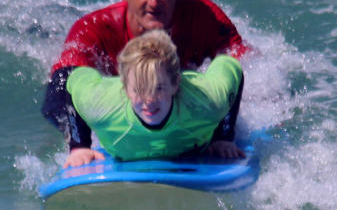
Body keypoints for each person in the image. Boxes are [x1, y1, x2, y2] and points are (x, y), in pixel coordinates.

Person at [42, 0, 248, 166]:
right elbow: (62, 89)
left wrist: (222, 133)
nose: (153, 2)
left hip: (182, 96)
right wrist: (81, 143)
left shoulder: (205, 17)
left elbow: (244, 66)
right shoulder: (93, 29)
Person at [66, 30, 245, 163]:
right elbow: (73, 79)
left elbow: (229, 64)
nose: (149, 101)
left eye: (158, 88)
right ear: (126, 89)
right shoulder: (100, 106)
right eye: (139, 90)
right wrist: (79, 146)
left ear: (175, 84)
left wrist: (223, 136)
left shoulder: (209, 101)